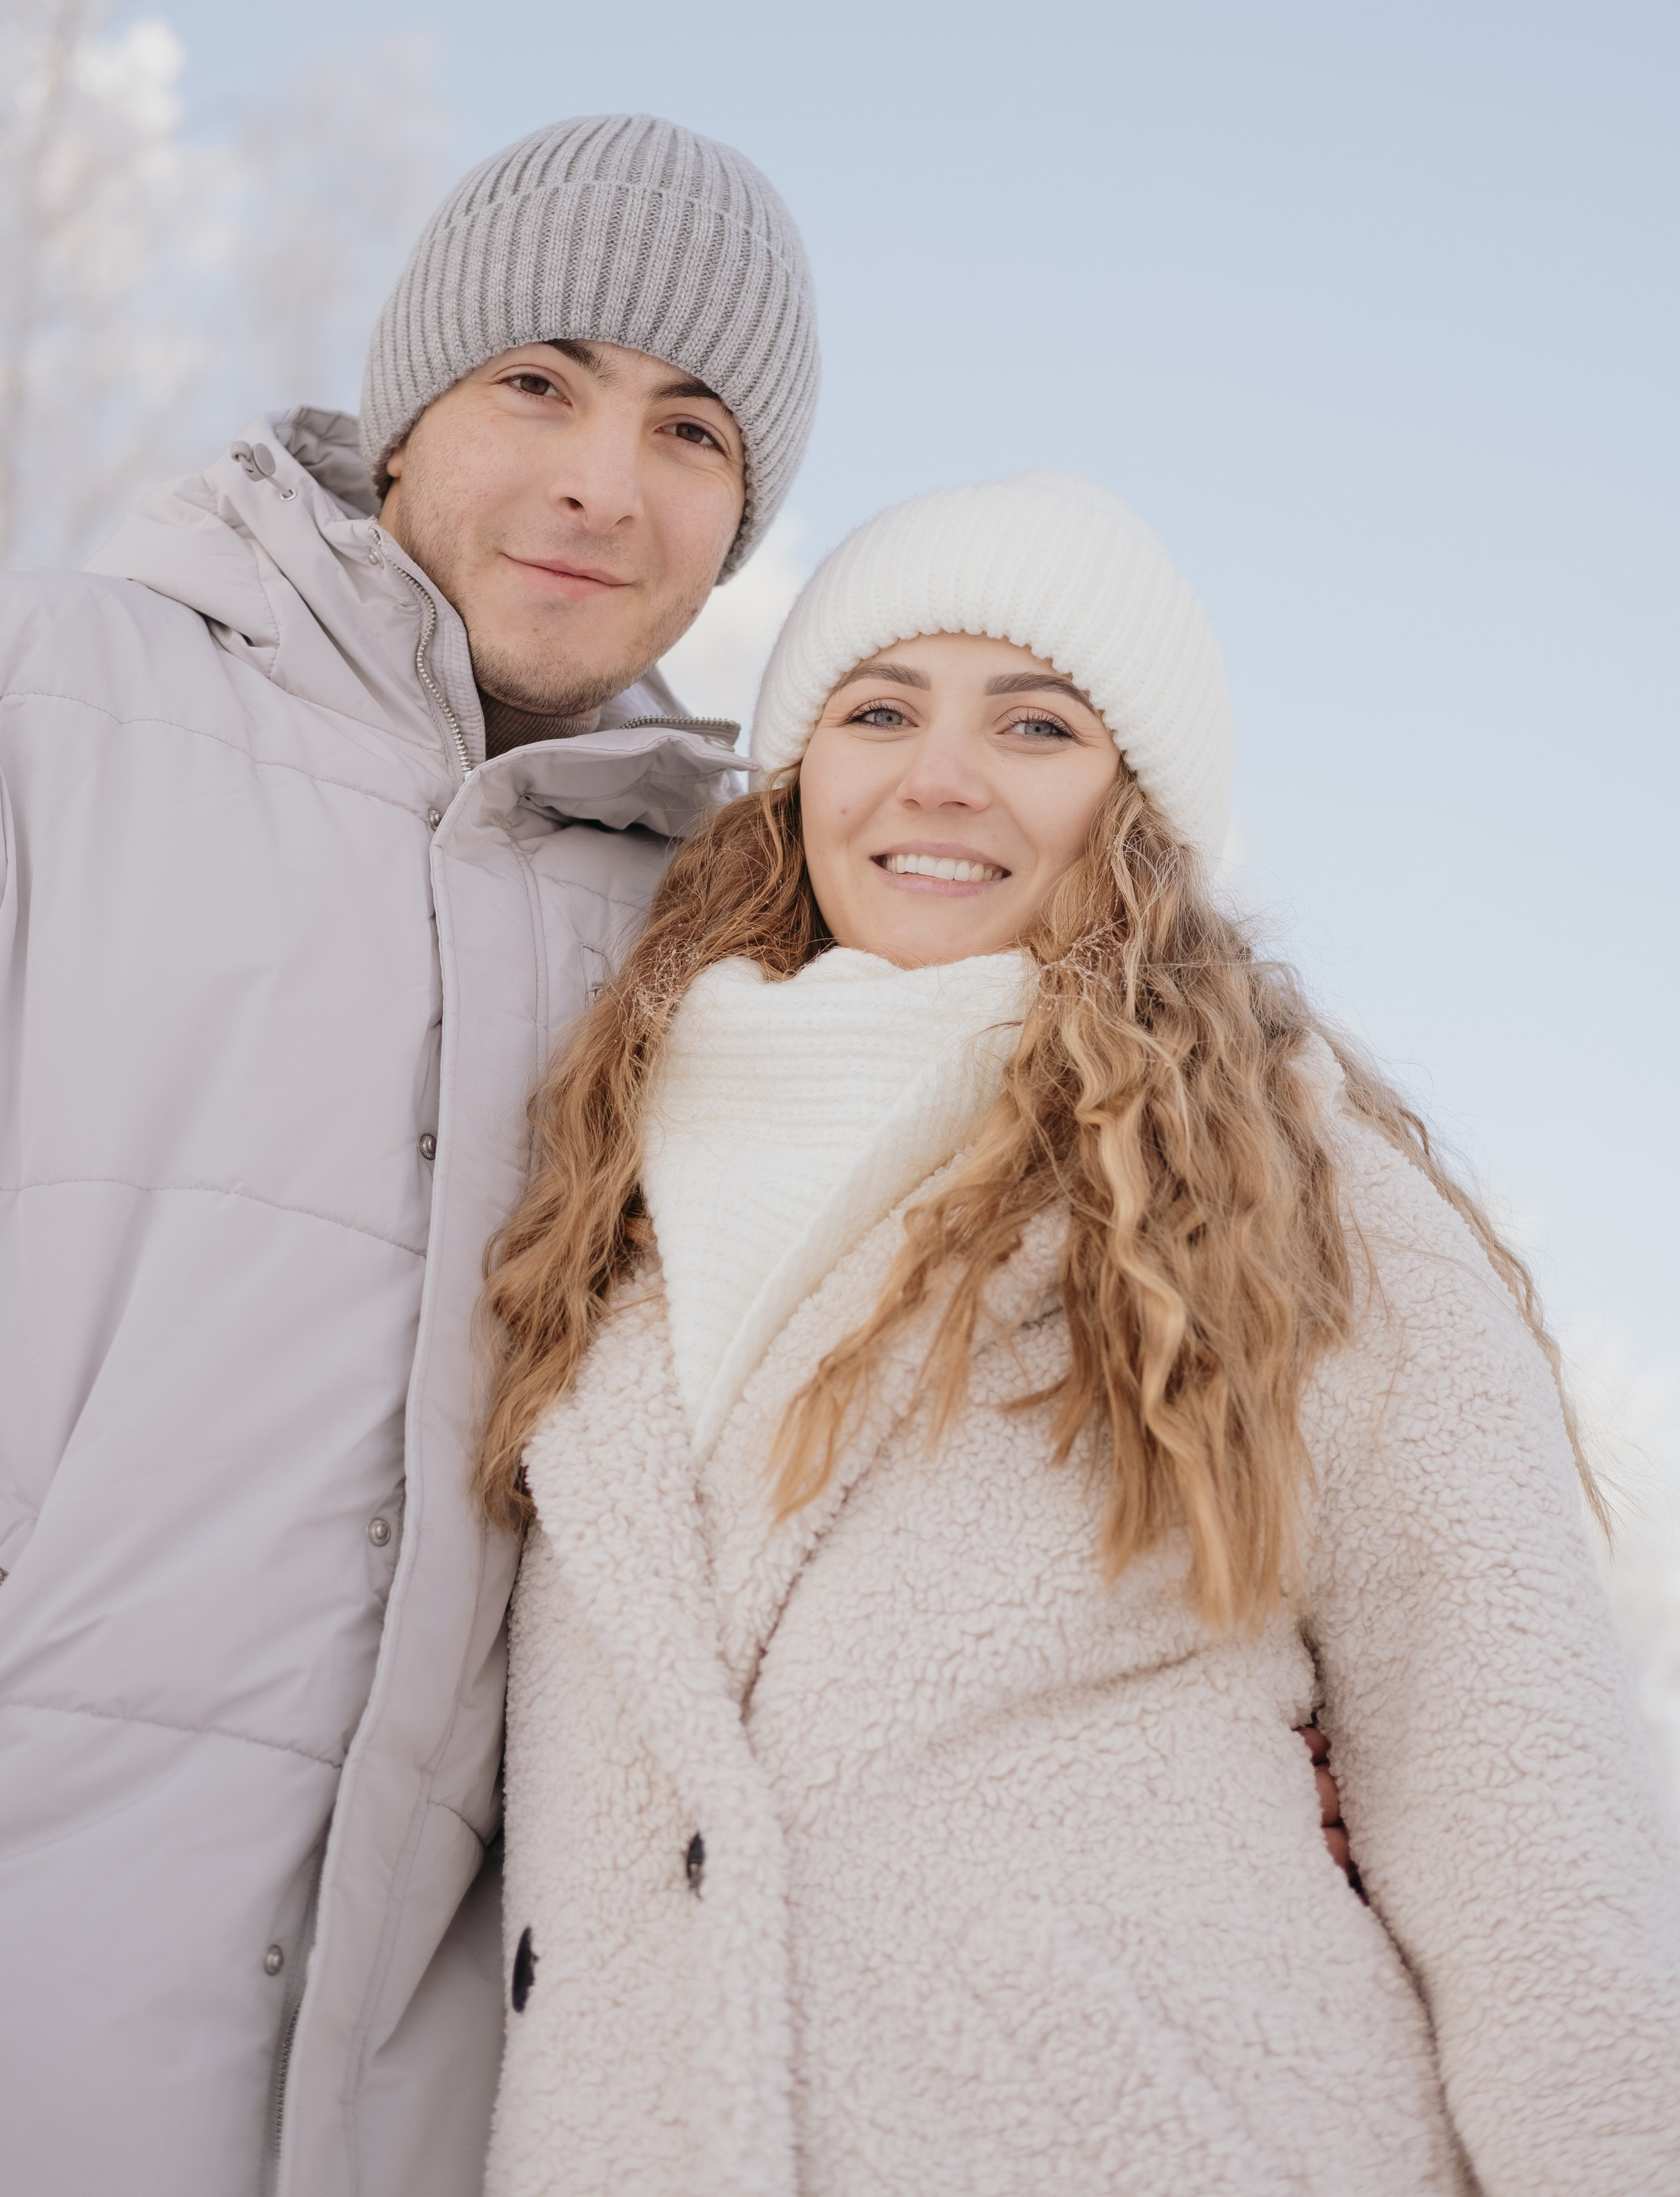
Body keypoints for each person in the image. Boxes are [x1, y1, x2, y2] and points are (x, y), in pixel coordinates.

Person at [476, 471, 1680, 2196]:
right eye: (877, 710)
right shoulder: (598, 1167)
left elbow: (1518, 1801)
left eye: (1034, 725)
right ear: (799, 772)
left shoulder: (1283, 1184)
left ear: (1135, 808)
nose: (938, 776)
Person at [0, 115, 819, 2197]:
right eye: (539, 382)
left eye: (691, 429)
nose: (604, 480)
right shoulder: (0, 704)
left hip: (422, 2114)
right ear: (406, 412)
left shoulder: (729, 936)